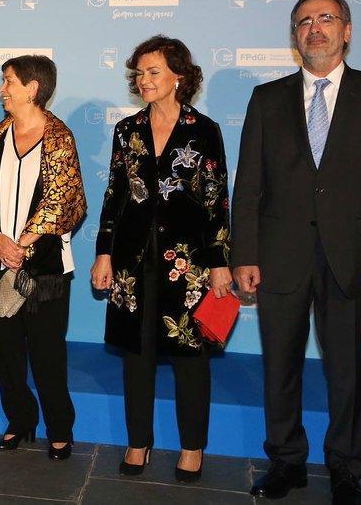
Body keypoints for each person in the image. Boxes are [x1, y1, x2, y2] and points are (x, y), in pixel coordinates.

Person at [233, 0, 361, 504]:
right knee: (279, 366)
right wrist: (244, 253)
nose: (315, 28)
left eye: (325, 19)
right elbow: (249, 185)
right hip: (279, 256)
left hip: (354, 260)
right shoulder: (267, 99)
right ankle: (285, 461)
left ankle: (346, 470)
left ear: (347, 31)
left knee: (347, 369)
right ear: (294, 37)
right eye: (304, 21)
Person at [90, 35, 233, 483]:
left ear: (180, 77)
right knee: (137, 355)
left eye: (154, 72)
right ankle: (139, 442)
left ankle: (192, 448)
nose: (144, 80)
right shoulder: (126, 130)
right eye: (139, 73)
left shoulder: (203, 130)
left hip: (186, 264)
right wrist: (103, 253)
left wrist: (220, 261)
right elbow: (113, 196)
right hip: (132, 264)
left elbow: (215, 201)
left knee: (191, 357)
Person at [0, 55, 86, 460]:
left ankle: (59, 430)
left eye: (9, 81)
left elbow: (64, 199)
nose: (2, 89)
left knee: (48, 351)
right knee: (8, 350)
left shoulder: (59, 138)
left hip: (45, 267)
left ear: (32, 88)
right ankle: (19, 421)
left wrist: (24, 244)